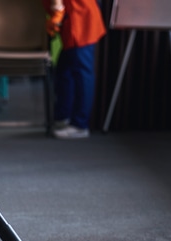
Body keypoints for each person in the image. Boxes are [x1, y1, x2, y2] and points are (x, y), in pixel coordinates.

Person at [44, 0, 105, 139]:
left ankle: (80, 125)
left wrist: (57, 8)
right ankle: (63, 116)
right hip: (74, 19)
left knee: (82, 72)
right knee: (65, 70)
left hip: (80, 21)